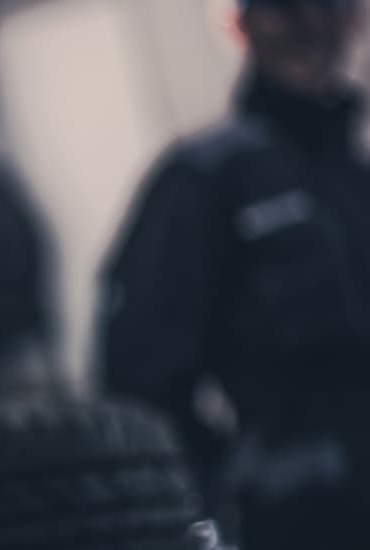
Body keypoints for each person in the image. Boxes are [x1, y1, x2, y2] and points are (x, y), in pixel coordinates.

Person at [100, 0, 370, 547]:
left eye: (329, 4)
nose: (311, 25)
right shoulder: (201, 180)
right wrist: (215, 506)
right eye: (283, 8)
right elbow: (137, 387)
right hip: (300, 526)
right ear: (237, 22)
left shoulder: (358, 180)